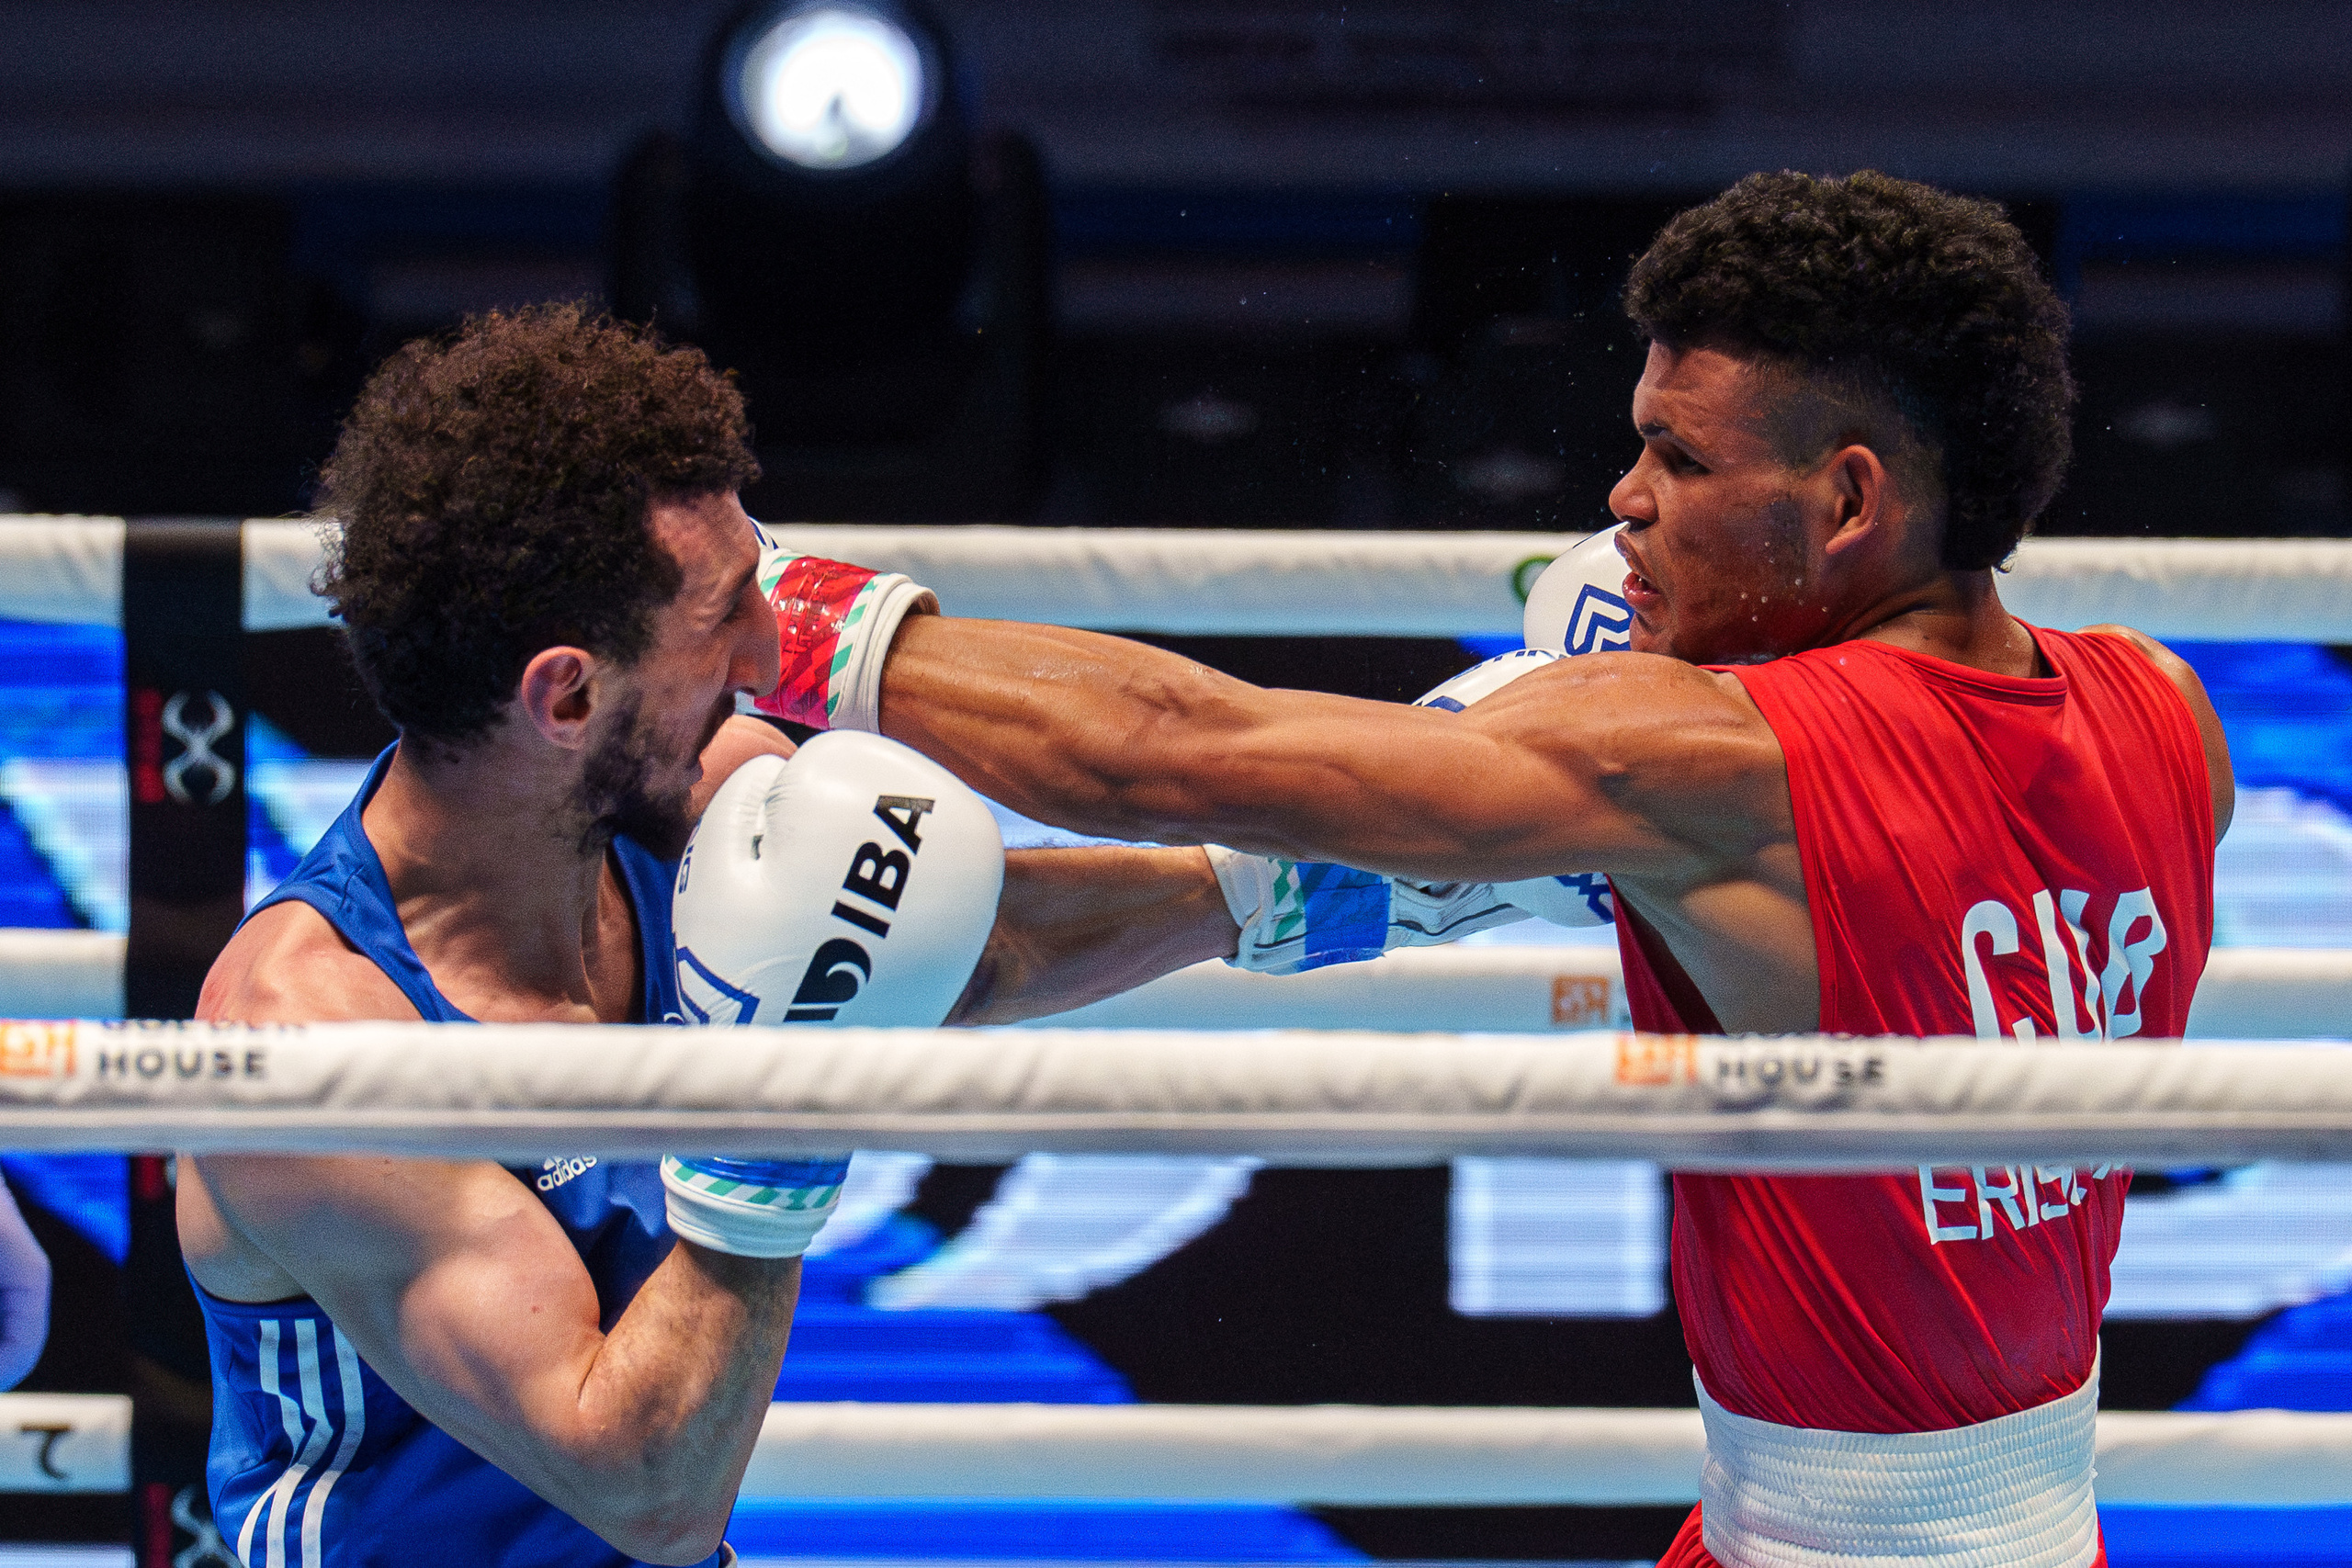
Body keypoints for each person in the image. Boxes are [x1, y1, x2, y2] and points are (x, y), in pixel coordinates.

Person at [742, 172, 2231, 1568]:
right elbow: (1910, 907)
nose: (1625, 497)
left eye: (1681, 457)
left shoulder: (1714, 763)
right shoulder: (2167, 711)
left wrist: (775, 618)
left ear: (1847, 504)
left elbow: (1175, 751)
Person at [175, 306, 1223, 1567]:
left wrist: (1272, 888)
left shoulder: (673, 800)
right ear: (567, 694)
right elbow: (646, 1490)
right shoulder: (310, 1048)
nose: (773, 652)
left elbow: (947, 944)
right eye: (725, 614)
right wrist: (778, 1096)